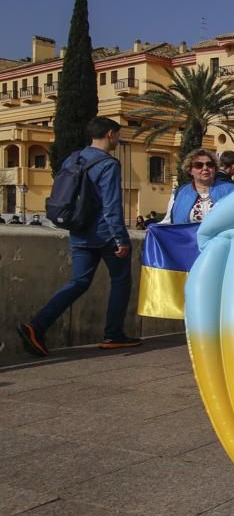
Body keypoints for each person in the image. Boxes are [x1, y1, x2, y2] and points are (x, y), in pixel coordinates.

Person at [17, 117, 141, 356]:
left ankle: (37, 325)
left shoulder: (73, 158)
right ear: (110, 134)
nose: (119, 139)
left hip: (78, 230)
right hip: (105, 234)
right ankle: (114, 334)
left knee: (78, 282)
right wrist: (120, 239)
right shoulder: (108, 164)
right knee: (121, 281)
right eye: (118, 134)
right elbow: (111, 205)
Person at [161, 149, 234, 224]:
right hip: (188, 237)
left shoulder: (232, 190)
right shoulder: (179, 193)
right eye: (199, 165)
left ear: (215, 168)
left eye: (210, 165)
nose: (205, 168)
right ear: (190, 170)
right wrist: (151, 230)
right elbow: (168, 222)